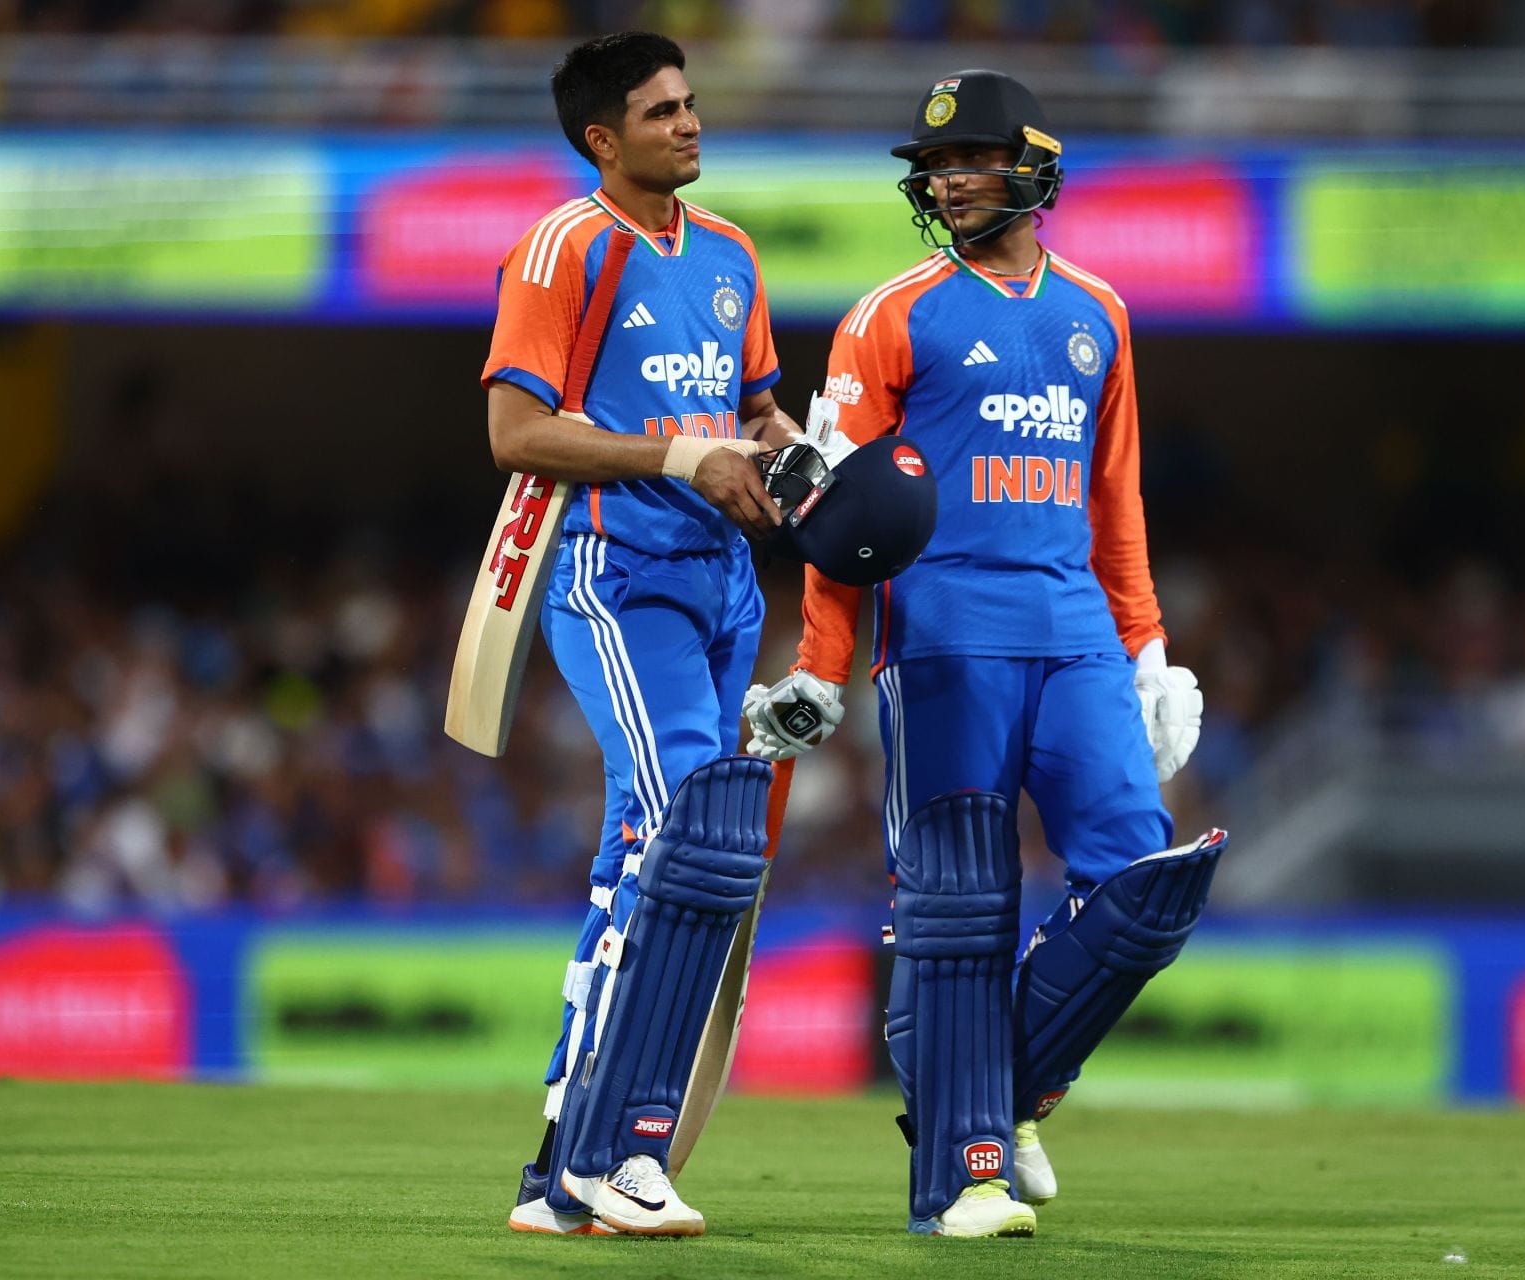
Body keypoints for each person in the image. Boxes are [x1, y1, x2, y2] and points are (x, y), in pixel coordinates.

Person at [744, 70, 1223, 1238]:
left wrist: (1149, 649)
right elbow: (835, 517)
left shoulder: (1099, 313)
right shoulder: (888, 315)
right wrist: (820, 665)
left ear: (1032, 167)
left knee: (1145, 884)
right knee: (960, 905)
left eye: (972, 159)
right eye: (936, 166)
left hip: (1078, 638)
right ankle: (967, 1177)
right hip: (943, 640)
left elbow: (1115, 501)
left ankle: (1008, 1091)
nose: (950, 181)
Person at [480, 31, 799, 1239]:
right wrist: (680, 456)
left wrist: (792, 451)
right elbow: (515, 433)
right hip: (619, 573)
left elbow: (753, 405)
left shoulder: (730, 253)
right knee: (688, 839)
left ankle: (561, 1165)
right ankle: (624, 1151)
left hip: (727, 583)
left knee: (644, 856)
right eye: (662, 112)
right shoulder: (563, 246)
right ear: (602, 138)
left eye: (692, 103)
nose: (690, 123)